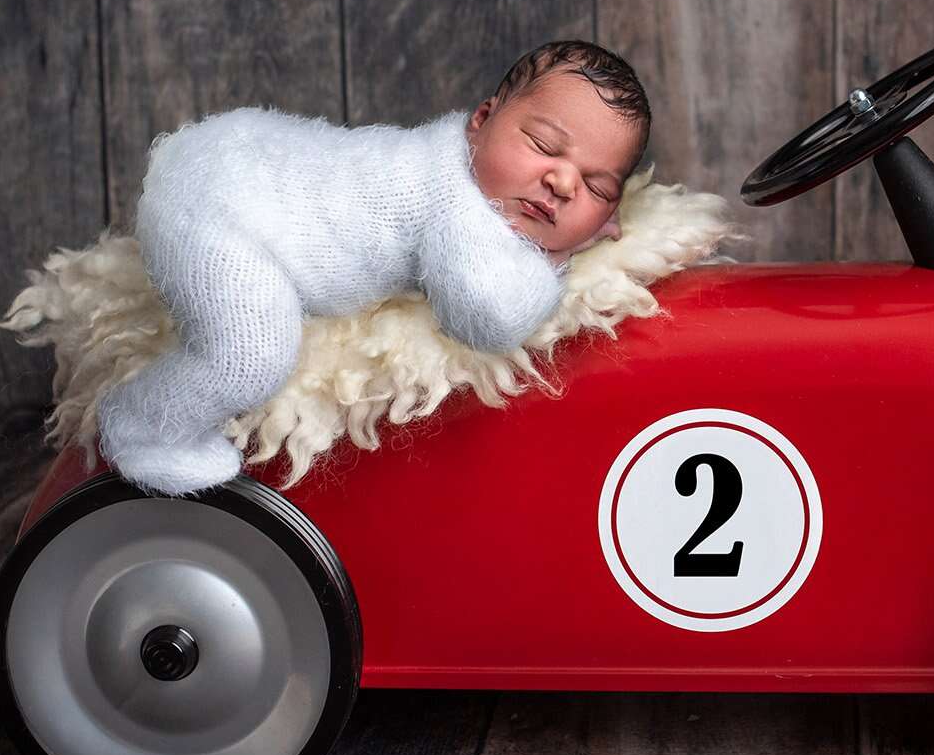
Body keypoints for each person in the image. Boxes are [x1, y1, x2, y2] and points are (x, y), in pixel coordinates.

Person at [95, 40, 651, 496]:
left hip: (237, 150)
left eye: (597, 188)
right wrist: (556, 254)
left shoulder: (460, 163)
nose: (563, 183)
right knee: (249, 356)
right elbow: (494, 318)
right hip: (221, 207)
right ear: (479, 122)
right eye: (542, 144)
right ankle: (142, 425)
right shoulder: (454, 205)